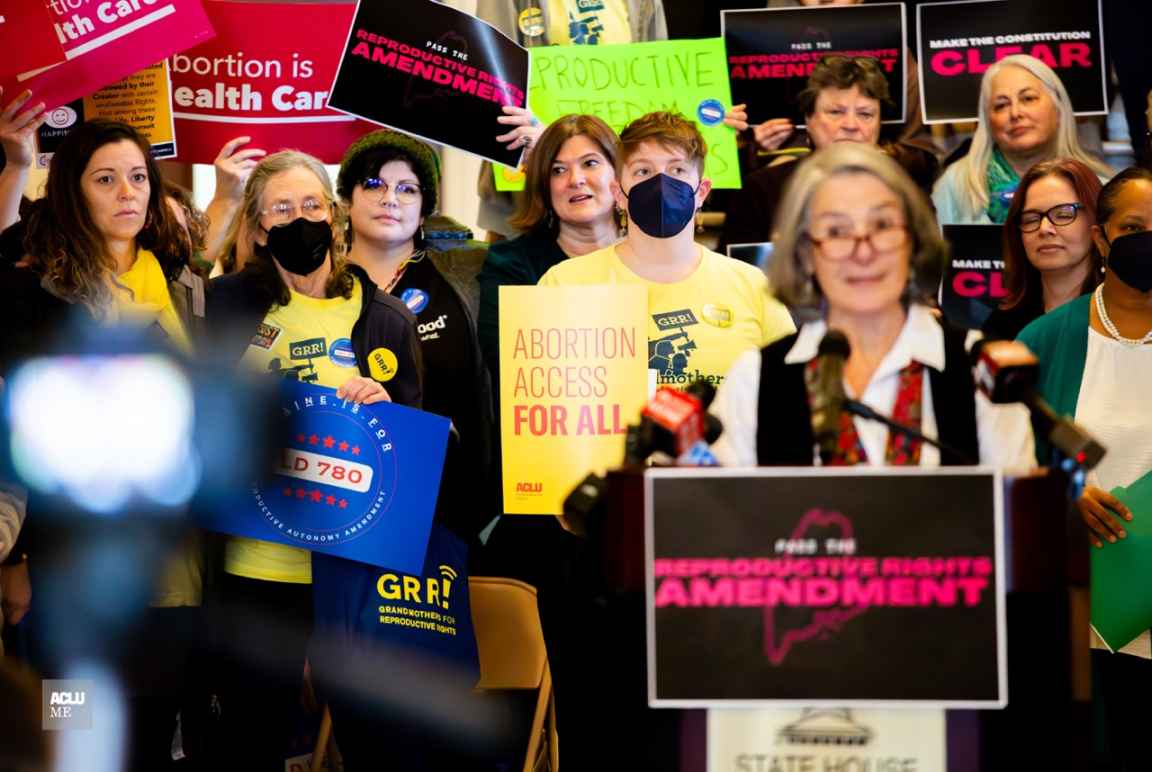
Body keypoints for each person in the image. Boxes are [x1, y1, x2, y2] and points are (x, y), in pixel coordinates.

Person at [204, 150, 422, 771]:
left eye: (310, 205)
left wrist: (387, 412)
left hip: (352, 576)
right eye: (280, 208)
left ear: (332, 214)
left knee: (374, 744)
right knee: (250, 738)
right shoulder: (225, 307)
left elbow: (420, 448)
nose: (298, 219)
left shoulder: (384, 317)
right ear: (258, 226)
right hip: (255, 572)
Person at [0, 118, 205, 770]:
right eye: (106, 178)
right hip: (71, 579)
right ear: (72, 192)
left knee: (151, 740)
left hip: (175, 576)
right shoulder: (34, 291)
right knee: (76, 739)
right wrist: (18, 555)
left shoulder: (186, 285)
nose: (127, 193)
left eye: (138, 177)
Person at [710, 142, 1034, 470]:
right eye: (837, 231)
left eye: (881, 226)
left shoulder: (980, 370)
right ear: (806, 253)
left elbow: (1015, 513)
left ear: (915, 241)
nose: (863, 252)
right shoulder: (755, 379)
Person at [1015, 167, 1152, 769]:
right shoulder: (1044, 340)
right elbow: (1011, 469)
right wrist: (1064, 497)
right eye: (1134, 227)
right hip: (1087, 616)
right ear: (1101, 237)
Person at [541, 110, 796, 387]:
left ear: (701, 192)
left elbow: (789, 397)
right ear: (618, 194)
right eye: (643, 171)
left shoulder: (755, 286)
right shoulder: (564, 285)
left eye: (677, 170)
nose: (660, 184)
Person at [473, 0, 668, 239]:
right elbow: (486, 72)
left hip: (618, 199)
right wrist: (545, 142)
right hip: (528, 193)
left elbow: (659, 87)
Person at [477, 114, 622, 394]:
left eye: (590, 163)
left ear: (618, 173)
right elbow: (512, 369)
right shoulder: (509, 265)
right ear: (543, 186)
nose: (575, 179)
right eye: (557, 170)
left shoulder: (652, 256)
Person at [721, 56, 898, 250]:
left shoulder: (905, 189)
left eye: (865, 114)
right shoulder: (761, 191)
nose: (851, 125)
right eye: (835, 112)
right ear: (808, 119)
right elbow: (739, 275)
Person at [932, 54, 1112, 225]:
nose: (1015, 113)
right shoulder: (954, 185)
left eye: (1028, 98)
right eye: (1001, 105)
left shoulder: (1098, 188)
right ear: (987, 122)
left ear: (1058, 110)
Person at [983, 158, 1104, 341]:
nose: (1044, 228)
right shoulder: (1002, 325)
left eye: (1063, 214)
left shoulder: (1121, 318)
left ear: (1096, 221)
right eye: (1031, 219)